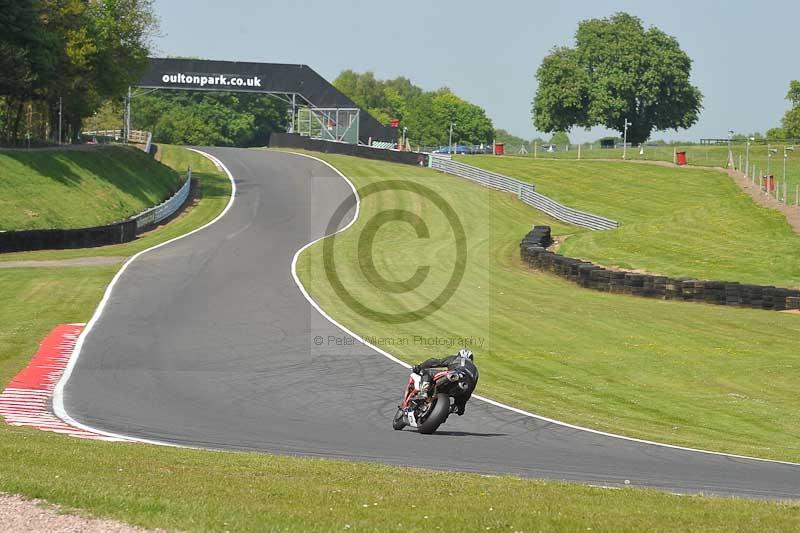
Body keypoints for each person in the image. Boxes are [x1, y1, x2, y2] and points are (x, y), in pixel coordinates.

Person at [411, 348, 479, 416]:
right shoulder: (475, 371)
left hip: (455, 375)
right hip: (465, 387)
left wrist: (420, 367)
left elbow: (435, 362)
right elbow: (472, 388)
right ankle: (451, 409)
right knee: (460, 408)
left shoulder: (457, 358)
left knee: (427, 372)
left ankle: (424, 392)